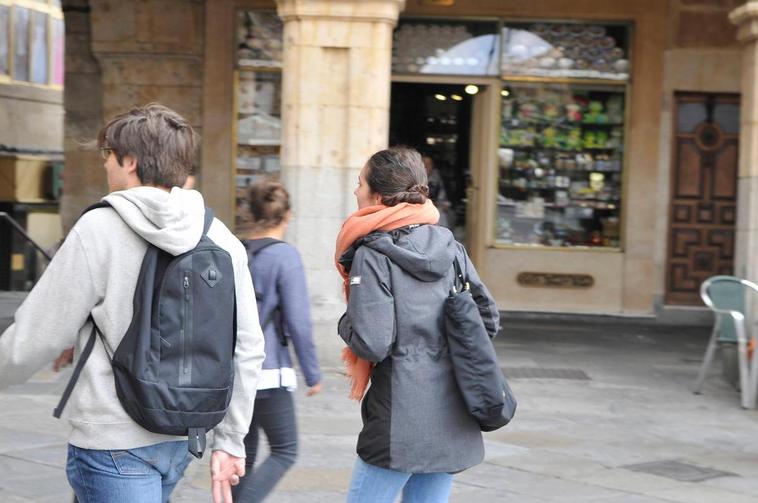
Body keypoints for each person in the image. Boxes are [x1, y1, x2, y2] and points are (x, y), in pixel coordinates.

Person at [0, 103, 265, 503]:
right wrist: (230, 441)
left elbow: (38, 334)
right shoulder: (221, 237)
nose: (105, 165)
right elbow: (248, 347)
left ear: (130, 162)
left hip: (112, 439)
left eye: (108, 156)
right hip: (183, 435)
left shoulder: (99, 228)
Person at [335, 147, 500, 502]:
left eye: (359, 183)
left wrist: (345, 323)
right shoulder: (450, 247)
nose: (355, 191)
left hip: (401, 412)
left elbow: (372, 342)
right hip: (453, 405)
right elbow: (487, 318)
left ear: (377, 196)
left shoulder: (372, 254)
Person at [234, 181, 322, 502]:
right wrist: (312, 373)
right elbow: (298, 321)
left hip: (234, 368)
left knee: (243, 451)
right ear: (288, 216)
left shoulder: (235, 251)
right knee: (285, 450)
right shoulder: (285, 256)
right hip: (268, 370)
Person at [422, 154, 452, 229]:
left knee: (442, 214)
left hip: (436, 205)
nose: (426, 166)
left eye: (429, 164)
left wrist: (443, 203)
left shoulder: (437, 177)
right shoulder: (415, 178)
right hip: (419, 207)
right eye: (424, 164)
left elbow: (443, 194)